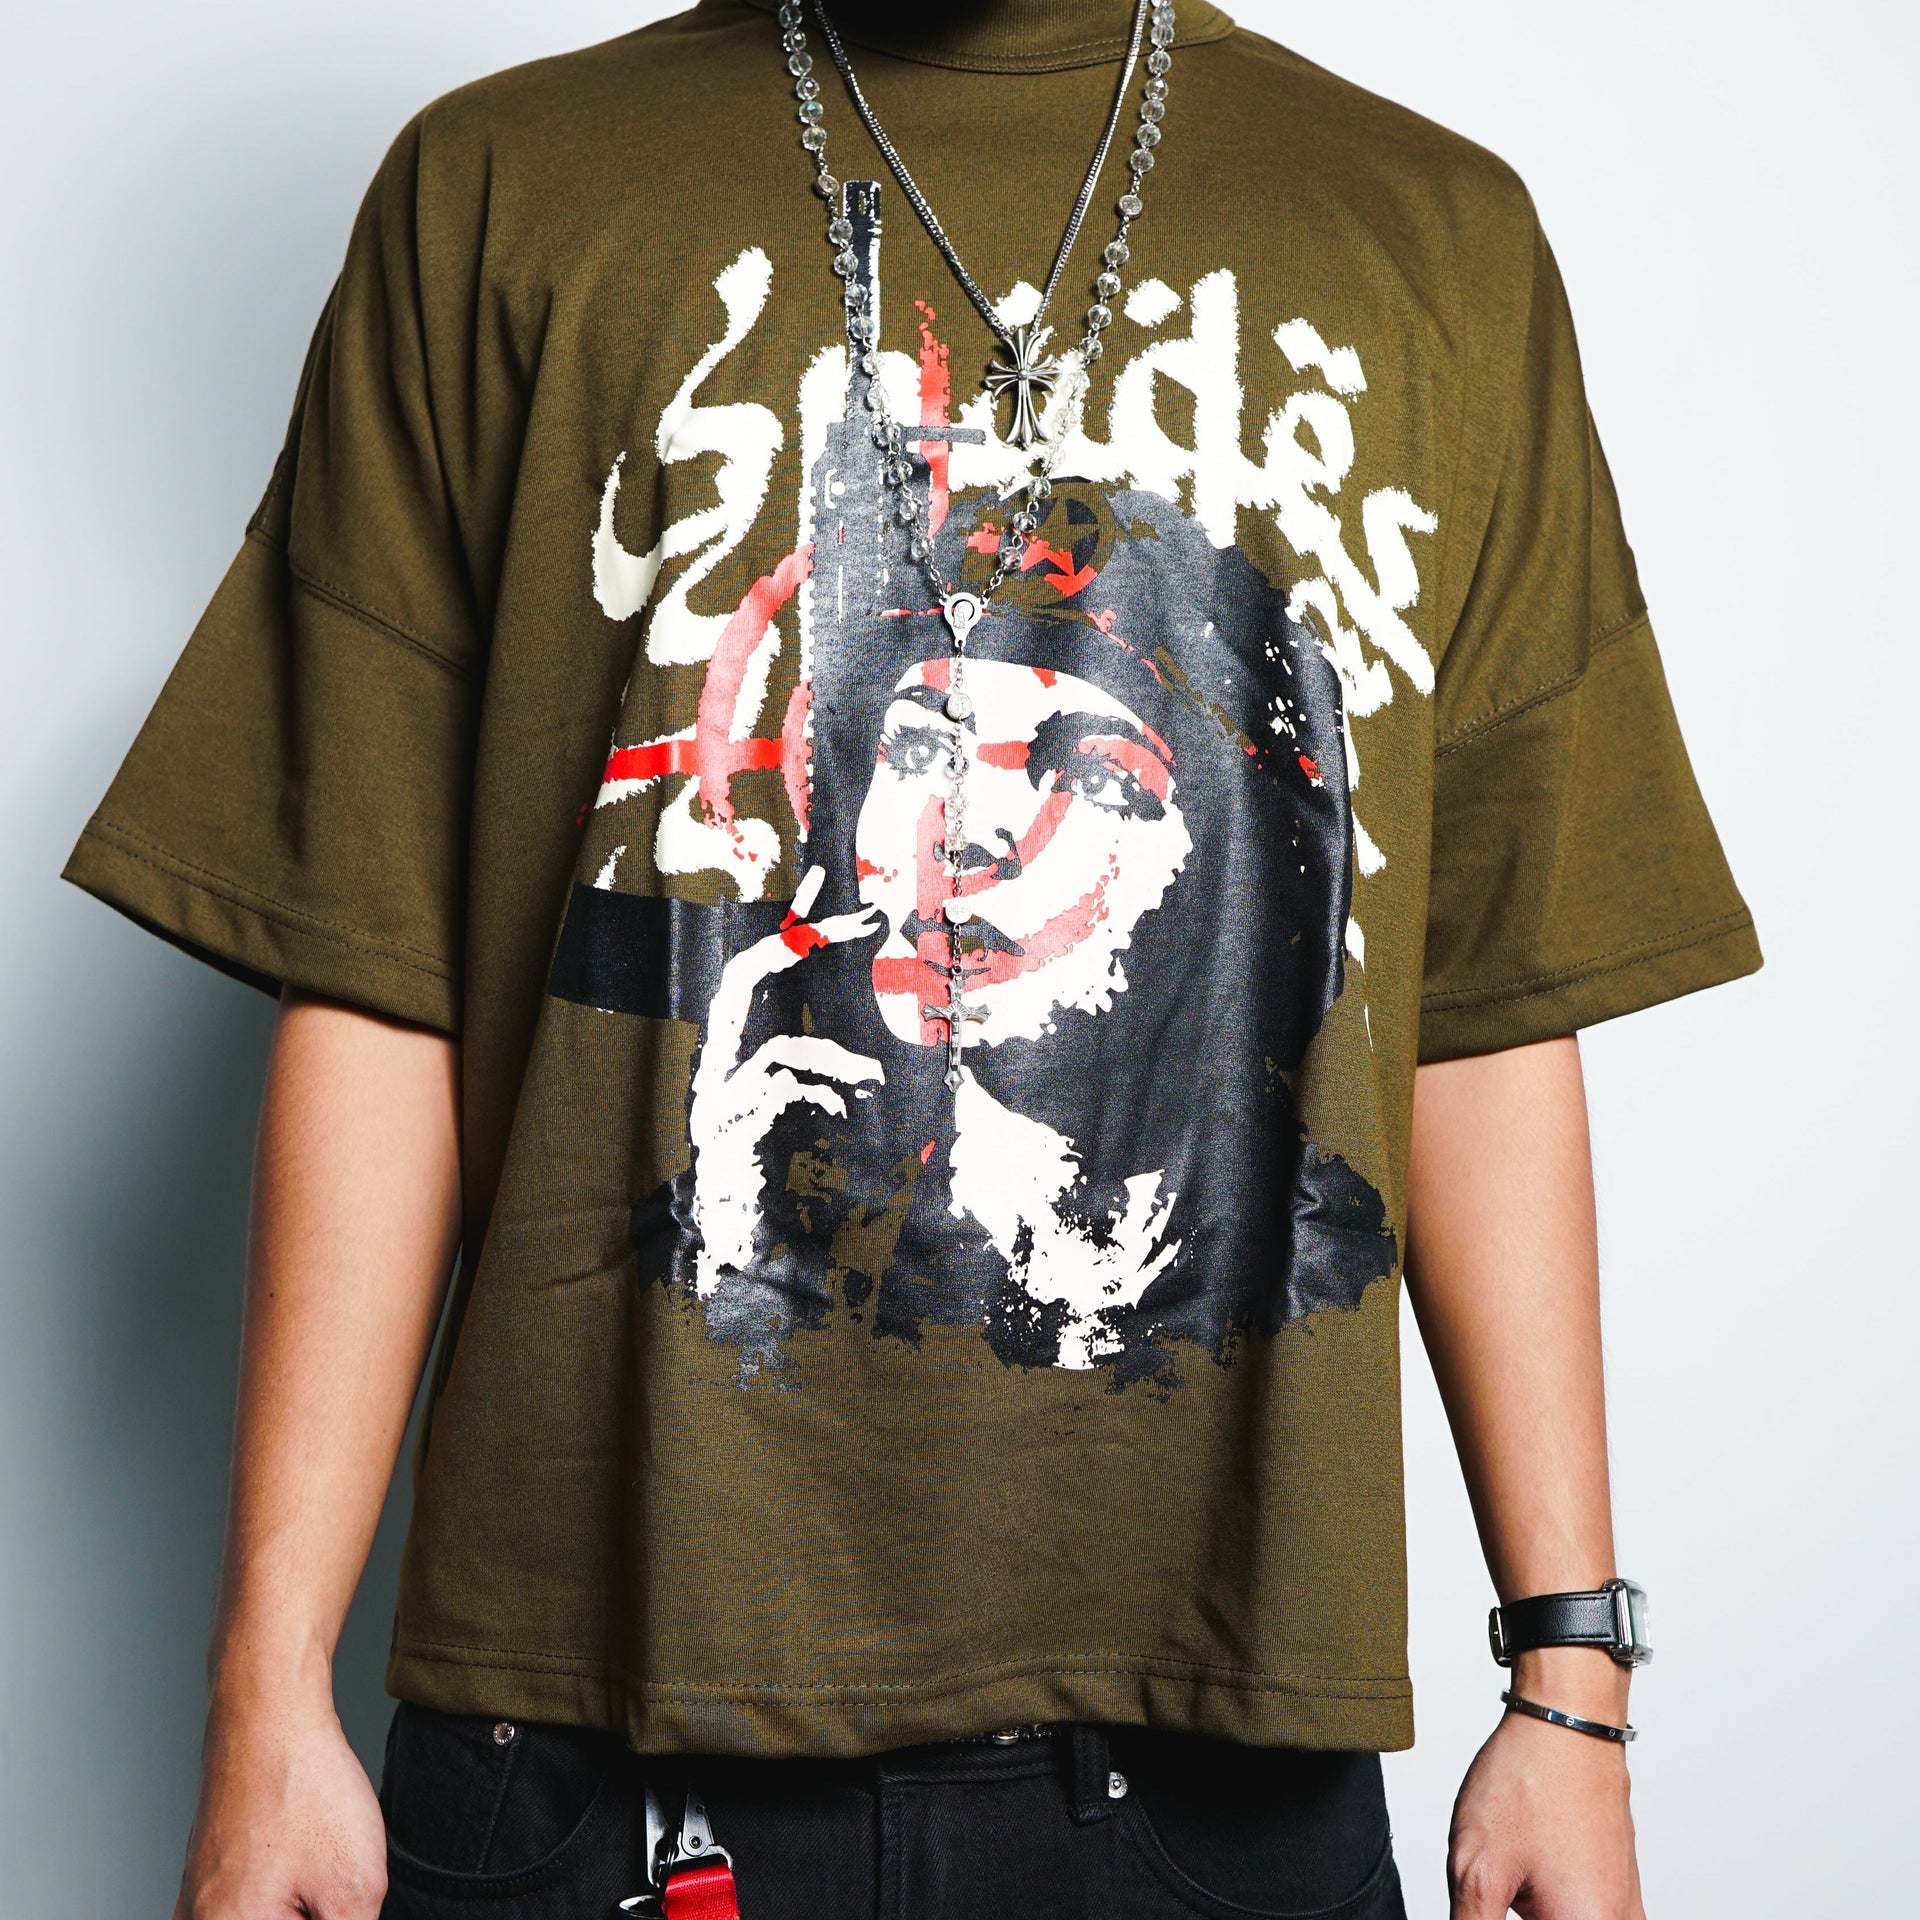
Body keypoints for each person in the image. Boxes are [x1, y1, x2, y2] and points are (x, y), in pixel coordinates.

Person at [66, 1, 1761, 1915]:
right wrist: (264, 1688)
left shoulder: (1432, 236)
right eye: (929, 745)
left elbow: (1481, 1003)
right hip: (595, 1757)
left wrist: (1571, 1682)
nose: (968, 823)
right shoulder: (499, 190)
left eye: (1081, 765)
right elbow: (380, 976)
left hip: (1218, 1762)